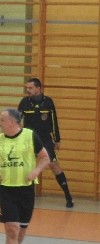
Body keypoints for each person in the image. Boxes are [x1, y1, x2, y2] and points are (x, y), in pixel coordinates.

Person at [0, 108, 50, 244]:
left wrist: (36, 171)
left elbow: (45, 158)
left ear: (12, 122)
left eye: (2, 120)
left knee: (20, 233)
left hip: (26, 191)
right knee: (12, 229)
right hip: (6, 190)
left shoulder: (30, 136)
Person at [17, 77, 74, 208]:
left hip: (45, 140)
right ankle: (23, 197)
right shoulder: (24, 102)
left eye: (30, 88)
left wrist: (57, 139)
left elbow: (54, 121)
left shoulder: (48, 102)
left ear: (38, 88)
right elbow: (17, 120)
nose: (28, 90)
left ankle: (68, 196)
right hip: (29, 139)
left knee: (54, 165)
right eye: (27, 88)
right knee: (25, 167)